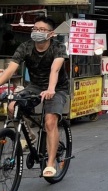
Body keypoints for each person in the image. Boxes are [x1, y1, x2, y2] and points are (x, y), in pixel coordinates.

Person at [0, 16, 68, 177]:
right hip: (35, 86)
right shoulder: (26, 47)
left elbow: (55, 70)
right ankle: (30, 136)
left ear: (51, 34)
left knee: (50, 121)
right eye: (35, 29)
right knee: (12, 106)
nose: (37, 32)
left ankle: (50, 163)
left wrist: (51, 89)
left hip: (57, 87)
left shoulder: (58, 48)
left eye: (42, 30)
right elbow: (10, 70)